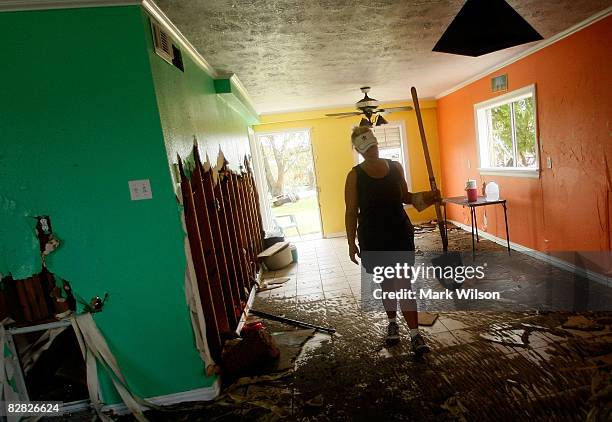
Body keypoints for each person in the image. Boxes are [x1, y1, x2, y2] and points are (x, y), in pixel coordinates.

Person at [344, 125, 439, 354]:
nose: (372, 150)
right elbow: (350, 211)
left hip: (399, 232)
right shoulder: (354, 176)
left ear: (377, 143)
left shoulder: (395, 167)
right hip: (373, 238)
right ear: (359, 150)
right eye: (366, 147)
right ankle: (392, 323)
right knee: (387, 284)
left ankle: (416, 335)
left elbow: (407, 198)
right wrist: (350, 243)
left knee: (403, 284)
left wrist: (429, 196)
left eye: (373, 145)